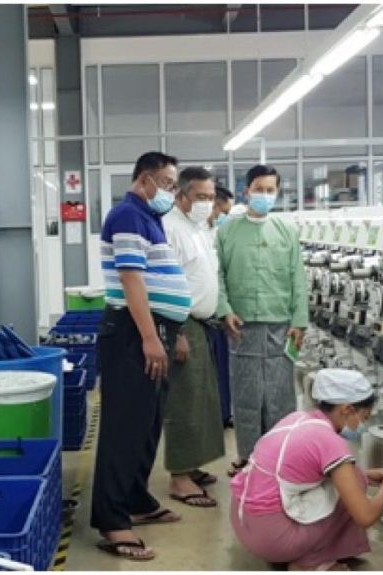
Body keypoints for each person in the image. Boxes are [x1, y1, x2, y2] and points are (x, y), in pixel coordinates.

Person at [92, 151, 191, 562]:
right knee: (124, 427)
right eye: (167, 183)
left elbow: (157, 278)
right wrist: (150, 337)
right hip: (132, 334)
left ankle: (135, 498)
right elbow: (131, 279)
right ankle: (112, 519)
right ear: (145, 180)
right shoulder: (127, 215)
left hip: (155, 330)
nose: (171, 191)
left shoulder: (150, 217)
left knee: (147, 424)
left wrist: (174, 331)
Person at [230, 369, 383, 570]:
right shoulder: (330, 442)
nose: (363, 426)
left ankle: (297, 548)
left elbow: (294, 473)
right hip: (272, 540)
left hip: (243, 523)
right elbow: (365, 516)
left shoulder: (298, 419)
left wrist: (365, 474)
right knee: (356, 486)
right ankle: (311, 563)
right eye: (364, 418)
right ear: (347, 409)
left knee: (356, 476)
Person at [217, 164, 309, 476]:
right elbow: (218, 274)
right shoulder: (228, 230)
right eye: (259, 189)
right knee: (246, 395)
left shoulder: (286, 231)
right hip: (241, 325)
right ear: (246, 191)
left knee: (279, 395)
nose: (265, 195)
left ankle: (278, 458)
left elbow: (298, 278)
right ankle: (248, 458)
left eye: (270, 190)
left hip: (280, 324)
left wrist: (300, 320)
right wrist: (224, 309)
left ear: (277, 192)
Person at [161, 166, 225, 508]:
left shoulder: (197, 228)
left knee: (203, 399)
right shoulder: (170, 228)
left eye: (211, 197)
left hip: (202, 322)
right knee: (184, 401)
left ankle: (193, 464)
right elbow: (165, 285)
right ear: (181, 195)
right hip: (183, 324)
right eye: (201, 196)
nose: (207, 203)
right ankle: (179, 477)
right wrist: (177, 332)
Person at [208, 185, 235, 428]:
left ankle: (224, 412)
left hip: (218, 312)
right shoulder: (207, 234)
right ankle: (220, 412)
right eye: (223, 211)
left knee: (223, 368)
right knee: (217, 369)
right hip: (210, 314)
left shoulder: (216, 232)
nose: (223, 216)